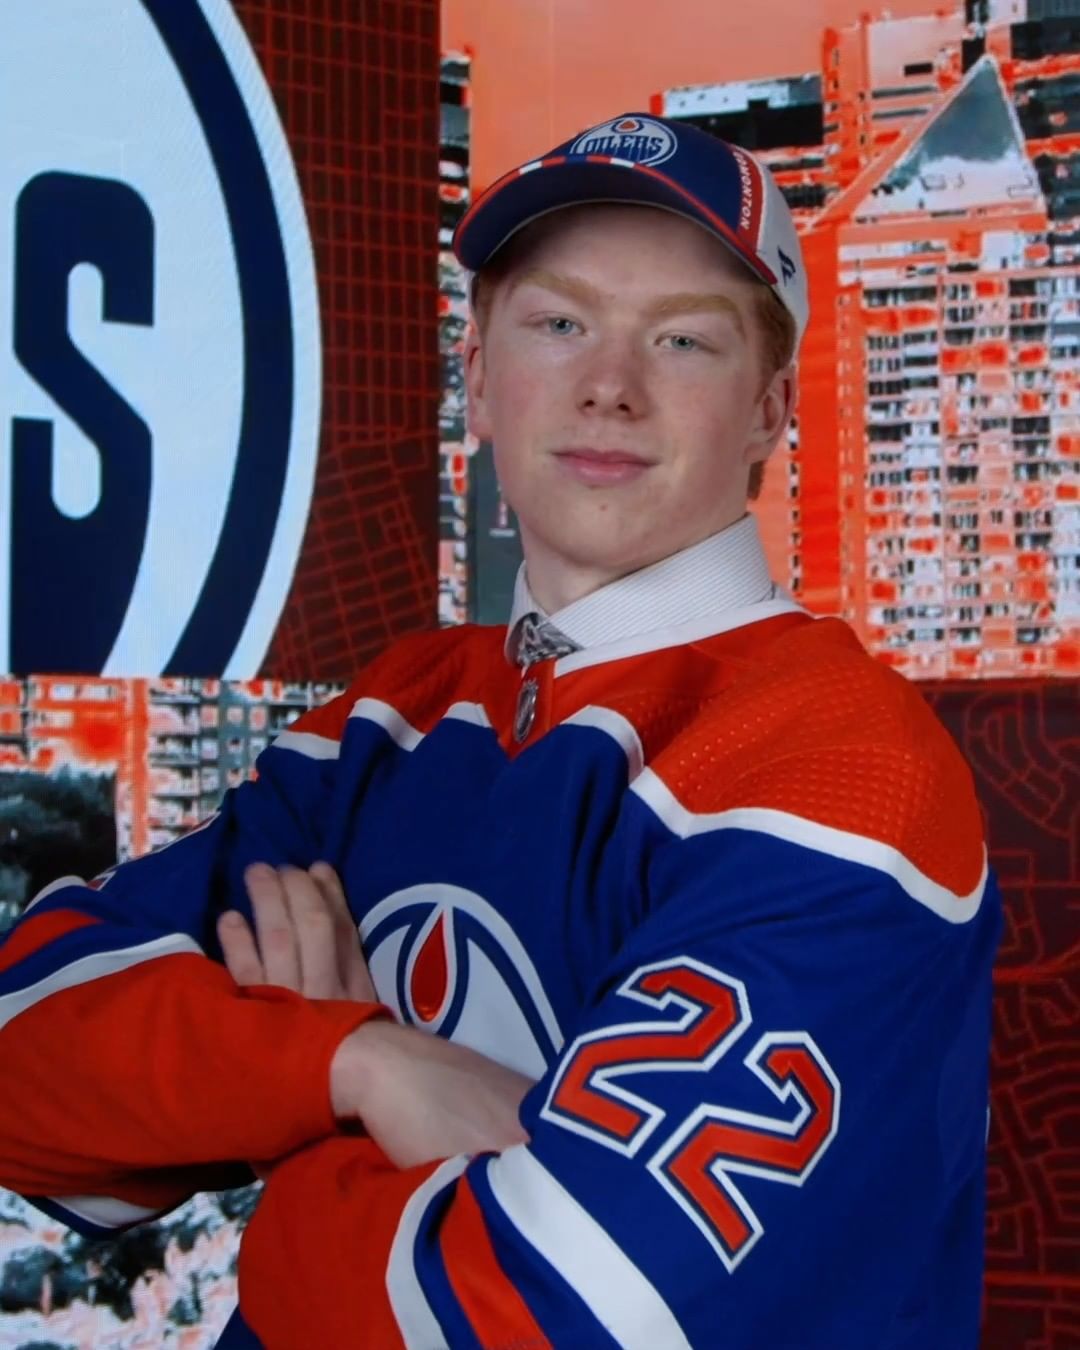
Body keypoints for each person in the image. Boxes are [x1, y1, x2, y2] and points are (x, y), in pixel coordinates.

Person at [0, 113, 1000, 1349]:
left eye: (683, 340)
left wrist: (290, 1145)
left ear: (768, 412)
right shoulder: (387, 718)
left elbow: (551, 1314)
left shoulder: (844, 771)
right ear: (478, 377)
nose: (609, 385)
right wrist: (362, 1067)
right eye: (559, 323)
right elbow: (23, 1064)